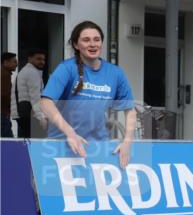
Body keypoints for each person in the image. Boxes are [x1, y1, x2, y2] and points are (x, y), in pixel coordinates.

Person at [40, 23, 135, 167]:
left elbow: (130, 110)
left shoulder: (115, 73)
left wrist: (127, 142)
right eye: (86, 40)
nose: (92, 44)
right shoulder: (66, 68)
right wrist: (70, 133)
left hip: (97, 148)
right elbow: (45, 103)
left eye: (97, 39)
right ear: (76, 45)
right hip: (62, 146)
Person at [12, 48, 47, 139]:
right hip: (28, 112)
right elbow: (35, 97)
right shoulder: (32, 73)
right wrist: (41, 117)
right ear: (30, 59)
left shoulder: (26, 71)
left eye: (43, 59)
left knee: (28, 140)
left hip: (23, 111)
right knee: (35, 141)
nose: (42, 62)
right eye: (38, 59)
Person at [1, 53, 16, 138]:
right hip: (3, 114)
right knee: (8, 141)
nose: (17, 64)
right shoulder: (5, 74)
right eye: (14, 62)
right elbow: (4, 94)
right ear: (5, 62)